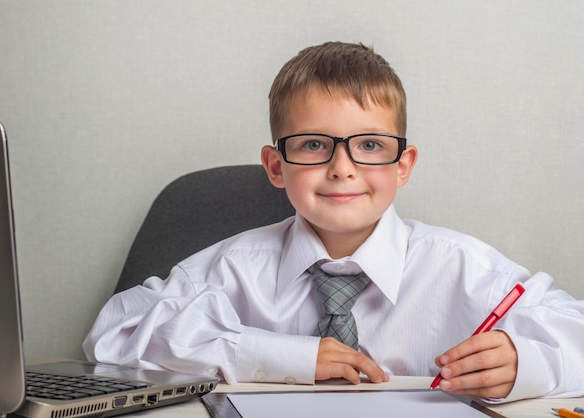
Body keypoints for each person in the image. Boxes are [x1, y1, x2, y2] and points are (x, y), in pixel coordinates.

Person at [83, 41, 584, 402]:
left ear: (402, 166)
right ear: (276, 167)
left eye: (369, 145)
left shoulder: (461, 269)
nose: (342, 167)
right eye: (314, 145)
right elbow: (112, 334)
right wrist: (281, 357)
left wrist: (529, 366)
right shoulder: (234, 267)